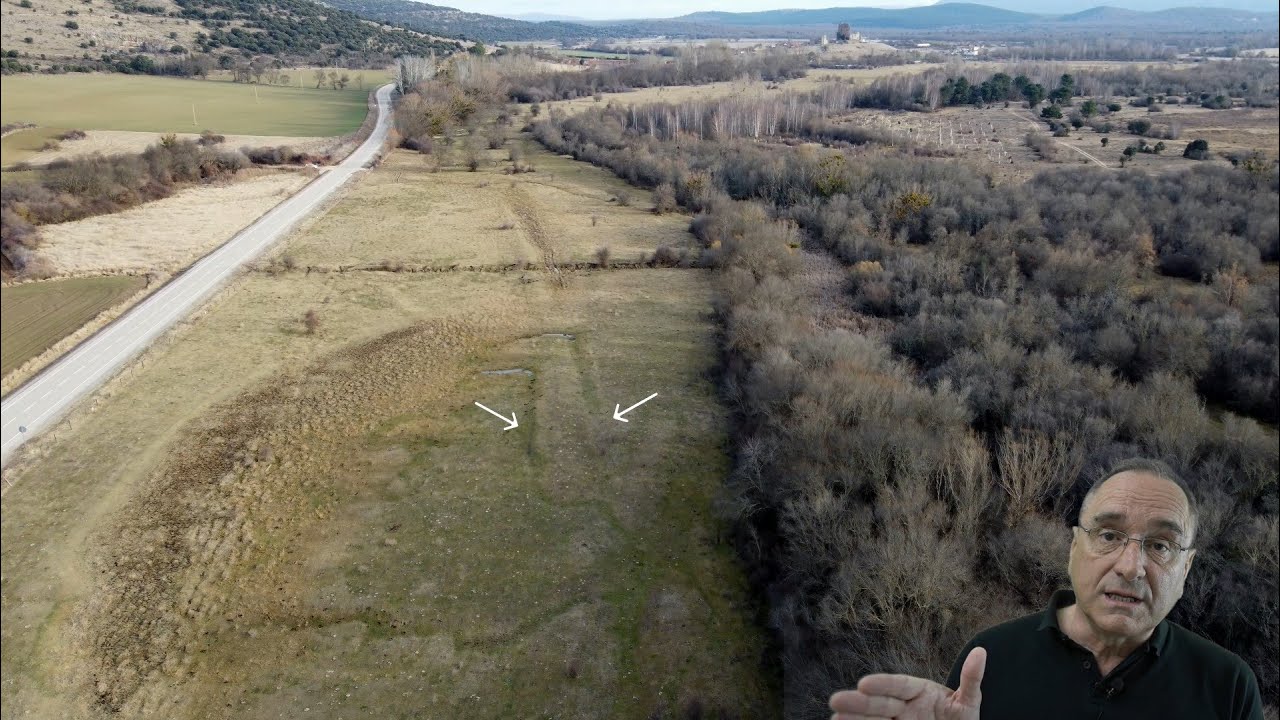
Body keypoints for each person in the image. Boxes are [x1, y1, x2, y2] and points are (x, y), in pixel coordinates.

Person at [829, 458, 1264, 720]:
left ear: (1186, 569)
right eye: (1108, 535)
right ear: (1074, 548)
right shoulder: (990, 658)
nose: (1131, 567)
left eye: (1161, 545)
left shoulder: (1227, 686)